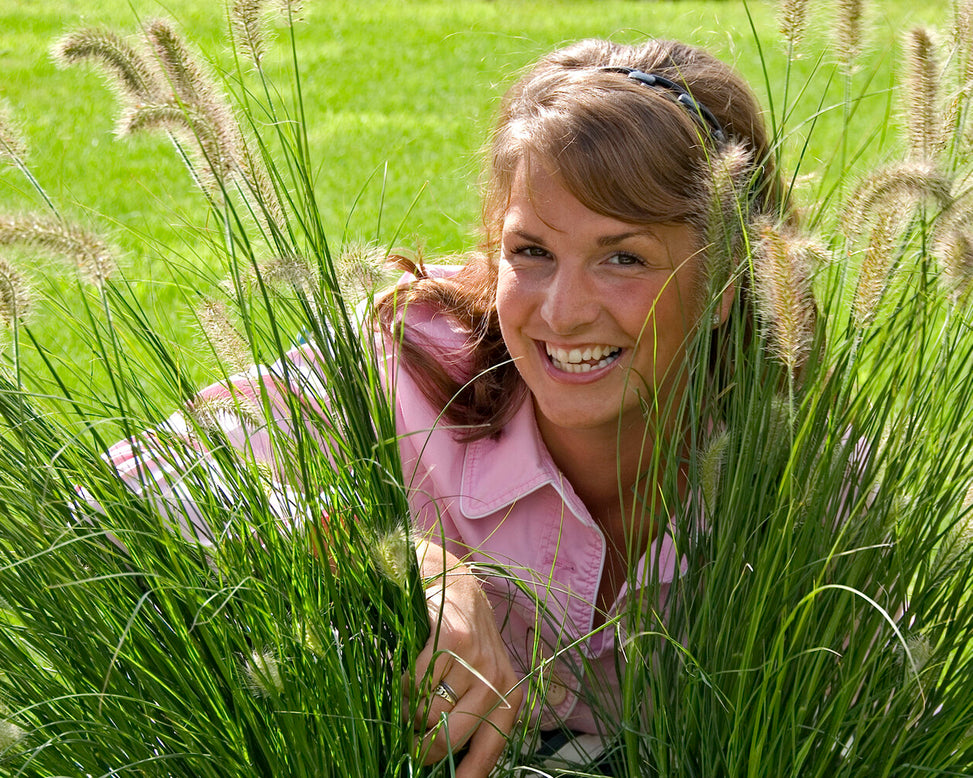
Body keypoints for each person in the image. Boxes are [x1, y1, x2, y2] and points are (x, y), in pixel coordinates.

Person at [107, 37, 789, 778]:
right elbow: (123, 493)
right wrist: (406, 564)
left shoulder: (796, 471)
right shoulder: (412, 358)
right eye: (530, 251)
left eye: (621, 257)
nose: (561, 314)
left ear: (724, 282)